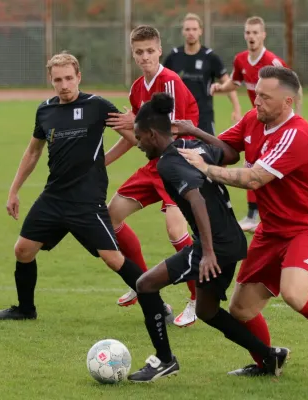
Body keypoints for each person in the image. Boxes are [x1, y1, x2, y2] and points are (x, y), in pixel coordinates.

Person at [175, 66, 308, 386]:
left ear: (288, 102)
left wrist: (206, 169)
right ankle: (268, 361)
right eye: (256, 94)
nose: (256, 101)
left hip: (307, 226)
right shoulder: (253, 119)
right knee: (241, 309)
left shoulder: (297, 134)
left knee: (294, 292)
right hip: (272, 229)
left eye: (265, 97)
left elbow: (254, 178)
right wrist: (185, 137)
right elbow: (224, 150)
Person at [0, 52, 171, 324]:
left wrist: (124, 138)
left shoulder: (97, 106)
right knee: (23, 250)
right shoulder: (45, 110)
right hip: (53, 197)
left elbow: (135, 138)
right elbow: (33, 152)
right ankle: (26, 309)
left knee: (113, 258)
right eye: (58, 80)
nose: (64, 85)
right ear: (50, 80)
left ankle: (158, 307)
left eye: (69, 78)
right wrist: (14, 190)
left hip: (86, 200)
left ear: (79, 77)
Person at [126, 93, 289, 383]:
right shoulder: (192, 146)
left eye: (139, 138)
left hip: (217, 246)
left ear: (152, 134)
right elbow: (230, 155)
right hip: (231, 241)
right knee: (207, 310)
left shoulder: (168, 163)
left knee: (145, 285)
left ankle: (164, 360)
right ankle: (269, 356)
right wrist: (196, 131)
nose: (138, 144)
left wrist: (209, 253)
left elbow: (196, 199)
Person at [105, 25, 200, 327]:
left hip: (178, 162)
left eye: (150, 51)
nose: (145, 56)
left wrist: (135, 121)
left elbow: (172, 130)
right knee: (111, 216)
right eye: (139, 52)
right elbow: (138, 137)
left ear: (160, 50)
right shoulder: (136, 88)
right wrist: (102, 161)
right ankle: (142, 282)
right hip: (155, 164)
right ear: (133, 54)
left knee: (175, 230)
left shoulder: (168, 81)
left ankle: (197, 298)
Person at [210, 16, 308, 234]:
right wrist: (220, 88)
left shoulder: (273, 62)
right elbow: (234, 82)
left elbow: (294, 88)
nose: (251, 36)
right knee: (257, 166)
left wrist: (297, 118)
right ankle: (256, 215)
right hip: (258, 121)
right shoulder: (241, 60)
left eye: (255, 32)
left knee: (267, 171)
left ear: (263, 35)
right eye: (248, 32)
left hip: (278, 122)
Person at [163, 13, 241, 135]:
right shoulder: (173, 57)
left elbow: (228, 83)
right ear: (183, 31)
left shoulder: (210, 57)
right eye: (187, 29)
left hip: (204, 117)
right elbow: (161, 83)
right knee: (177, 147)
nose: (191, 33)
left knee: (207, 147)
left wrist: (236, 108)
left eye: (194, 29)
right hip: (178, 117)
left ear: (201, 31)